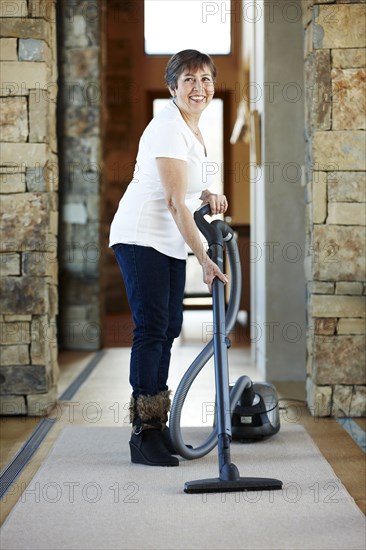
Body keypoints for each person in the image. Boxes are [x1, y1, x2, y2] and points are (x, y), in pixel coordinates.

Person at [109, 49, 228, 467]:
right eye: (190, 80)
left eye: (206, 79)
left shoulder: (194, 129)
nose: (200, 88)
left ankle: (157, 424)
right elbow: (173, 201)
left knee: (168, 326)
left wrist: (207, 194)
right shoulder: (166, 127)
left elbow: (186, 193)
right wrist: (205, 259)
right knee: (152, 327)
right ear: (173, 87)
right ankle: (145, 433)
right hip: (142, 236)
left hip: (167, 241)